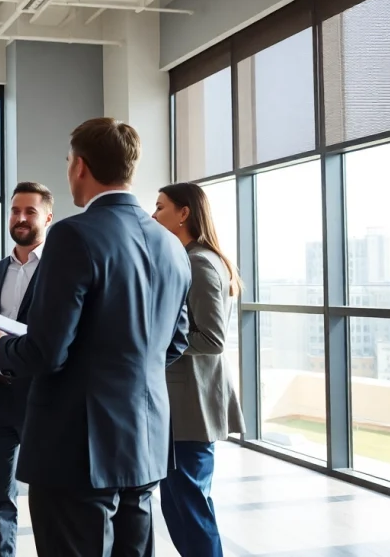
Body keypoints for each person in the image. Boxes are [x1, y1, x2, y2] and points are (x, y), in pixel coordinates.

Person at [0, 118, 192, 556]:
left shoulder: (73, 234)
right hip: (145, 441)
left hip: (77, 446)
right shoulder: (171, 244)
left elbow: (46, 351)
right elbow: (176, 341)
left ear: (80, 167)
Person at [153, 182, 247, 557]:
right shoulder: (188, 256)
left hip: (191, 406)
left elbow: (212, 339)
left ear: (184, 213)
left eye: (160, 207)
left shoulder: (199, 261)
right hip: (180, 405)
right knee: (177, 505)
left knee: (190, 506)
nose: (154, 214)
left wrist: (155, 344)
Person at [0, 182, 53, 557]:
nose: (20, 218)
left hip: (41, 397)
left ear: (48, 217)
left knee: (46, 496)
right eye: (15, 210)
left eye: (30, 211)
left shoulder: (58, 270)